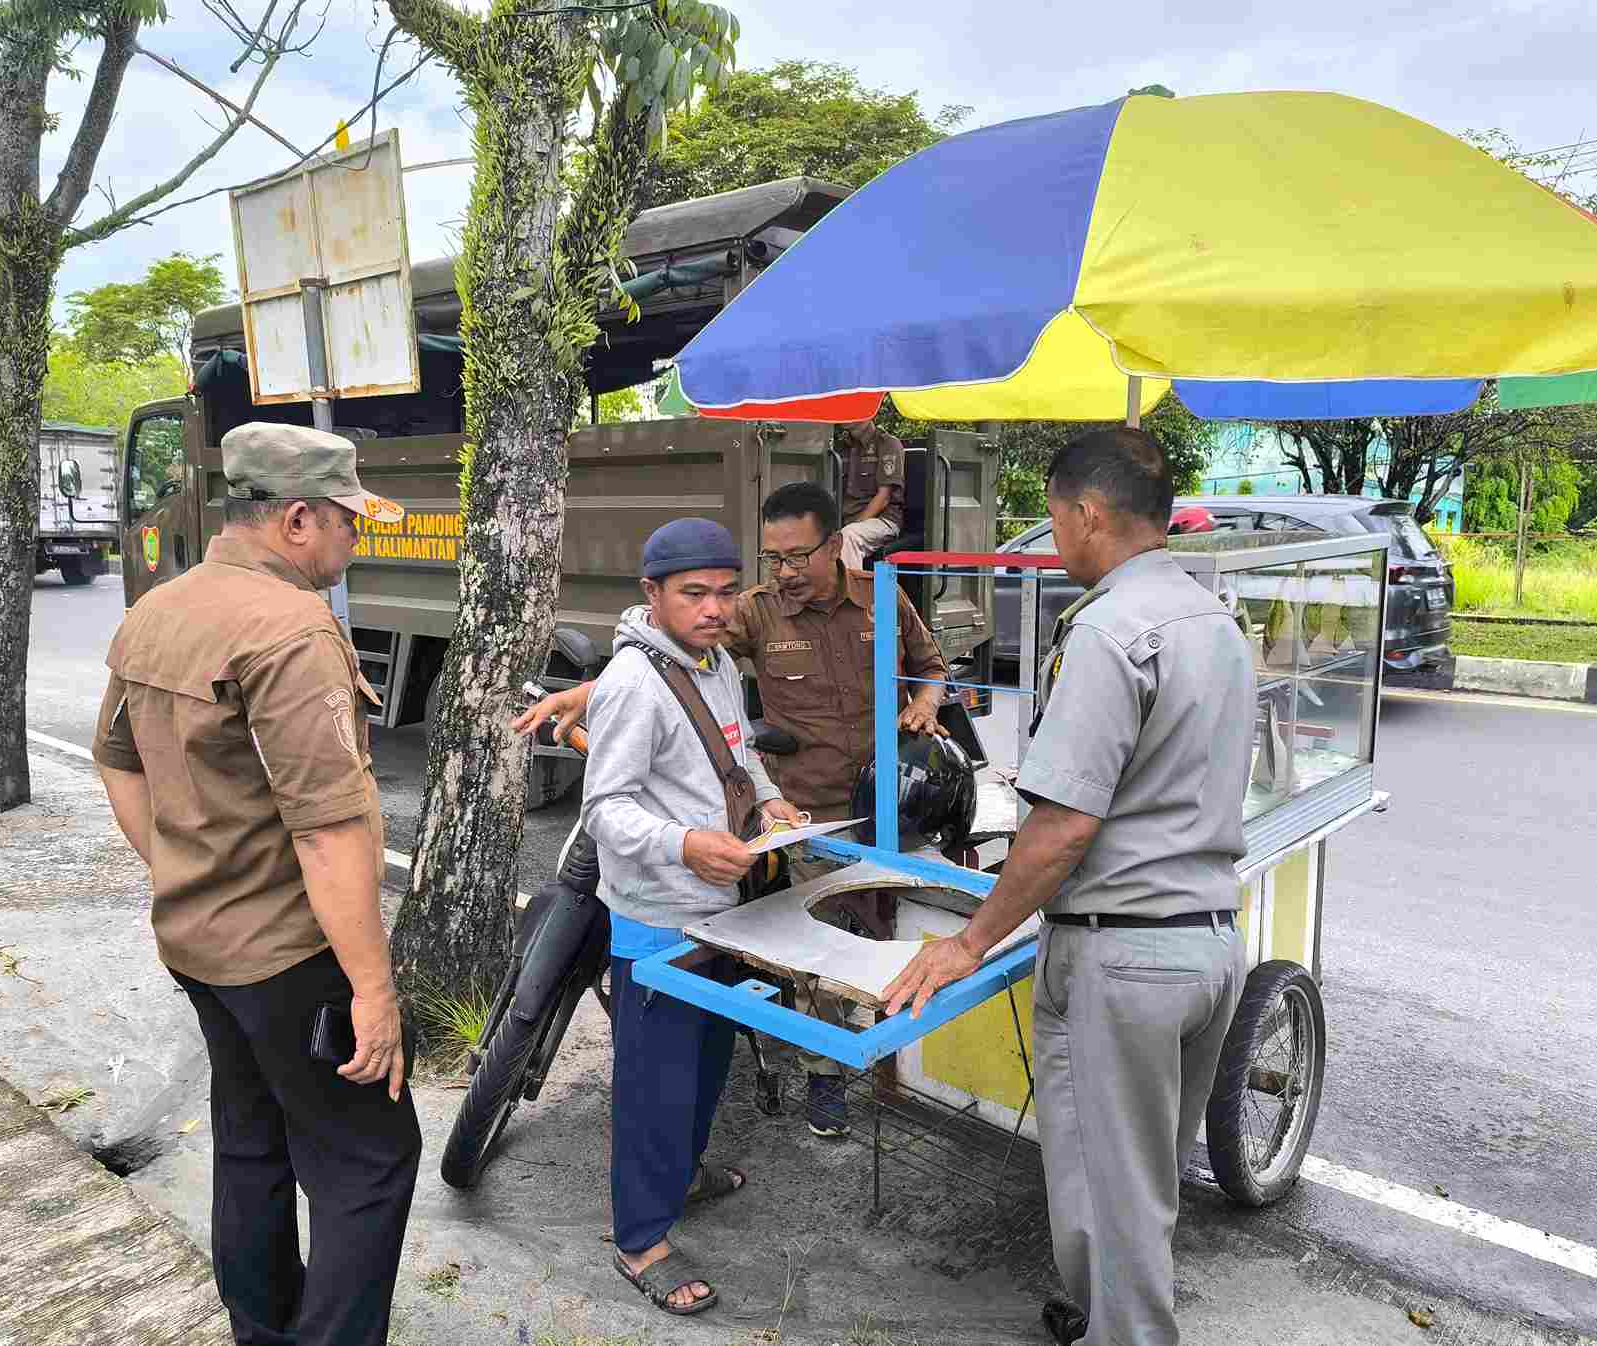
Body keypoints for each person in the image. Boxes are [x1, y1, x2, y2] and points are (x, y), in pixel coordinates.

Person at [881, 427, 1255, 1346]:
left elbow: (1062, 825)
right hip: (1204, 943)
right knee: (1140, 1183)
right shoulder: (1215, 619)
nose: (1049, 537)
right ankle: (1096, 1315)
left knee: (1113, 1193)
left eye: (1051, 517)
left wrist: (968, 939)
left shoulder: (1107, 631)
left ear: (1088, 514)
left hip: (1119, 955)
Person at [92, 422, 422, 1346]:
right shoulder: (290, 629)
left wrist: (178, 869)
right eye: (351, 524)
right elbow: (328, 832)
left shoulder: (163, 605)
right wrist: (373, 991)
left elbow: (114, 762)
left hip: (196, 943)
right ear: (300, 520)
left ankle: (261, 1331)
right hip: (286, 954)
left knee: (251, 1139)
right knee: (370, 1161)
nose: (357, 540)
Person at [515, 482, 948, 1139]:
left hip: (891, 804)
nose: (785, 572)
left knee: (896, 934)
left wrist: (926, 703)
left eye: (798, 556)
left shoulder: (882, 598)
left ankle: (900, 1066)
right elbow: (675, 654)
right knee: (820, 951)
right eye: (773, 559)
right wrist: (592, 690)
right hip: (803, 809)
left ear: (835, 546)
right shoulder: (755, 612)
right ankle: (822, 1075)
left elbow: (931, 666)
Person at [584, 518, 804, 1318]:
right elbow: (603, 808)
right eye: (693, 595)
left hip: (722, 909)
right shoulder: (631, 684)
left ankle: (683, 1173)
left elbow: (734, 752)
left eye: (723, 592)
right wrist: (681, 844)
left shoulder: (712, 665)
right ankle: (639, 1239)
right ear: (652, 594)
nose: (714, 609)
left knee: (710, 1063)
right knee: (655, 1085)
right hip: (658, 919)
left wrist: (771, 797)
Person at [835, 418, 906, 569]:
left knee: (849, 536)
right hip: (846, 520)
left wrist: (854, 525)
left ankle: (851, 592)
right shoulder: (839, 447)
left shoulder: (887, 444)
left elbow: (883, 498)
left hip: (882, 520)